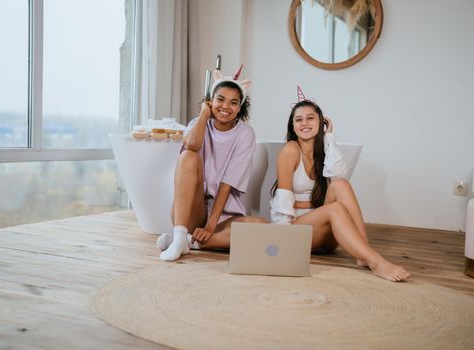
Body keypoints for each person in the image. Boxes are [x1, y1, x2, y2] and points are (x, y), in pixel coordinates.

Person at [270, 86, 409, 282]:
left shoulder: (323, 150)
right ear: (292, 126)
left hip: (322, 235)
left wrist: (329, 138)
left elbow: (337, 175)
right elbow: (283, 201)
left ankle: (364, 254)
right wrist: (284, 240)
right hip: (295, 232)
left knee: (340, 185)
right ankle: (376, 262)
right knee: (335, 209)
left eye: (310, 118)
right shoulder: (290, 150)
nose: (304, 123)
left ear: (322, 122)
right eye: (298, 119)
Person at [158, 65, 266, 261]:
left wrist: (211, 225)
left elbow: (227, 182)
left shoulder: (245, 134)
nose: (226, 106)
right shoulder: (197, 124)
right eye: (220, 99)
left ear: (240, 108)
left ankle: (186, 242)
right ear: (210, 101)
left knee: (260, 227)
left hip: (224, 216)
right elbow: (191, 144)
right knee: (188, 156)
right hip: (193, 211)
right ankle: (181, 233)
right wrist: (203, 115)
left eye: (234, 102)